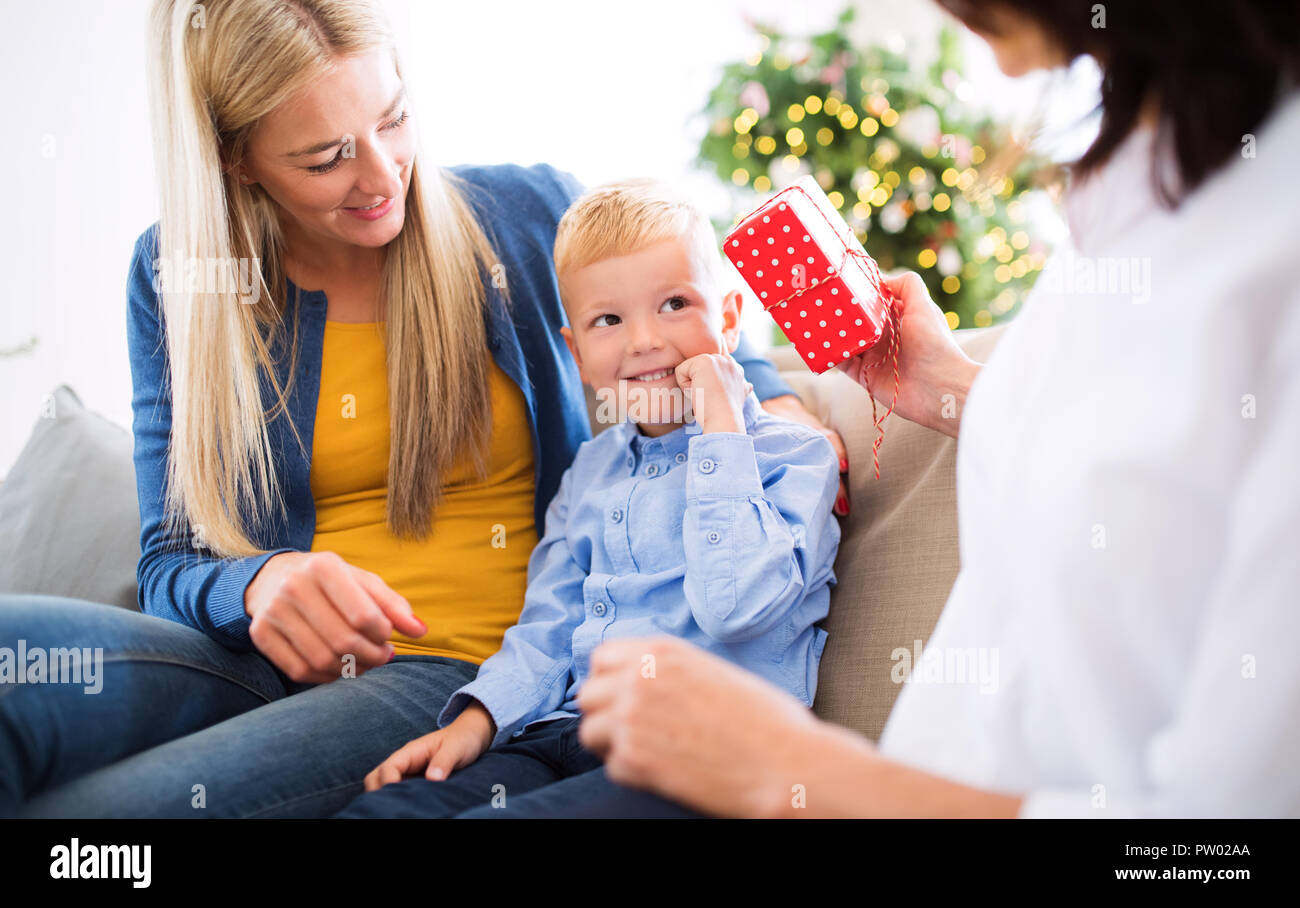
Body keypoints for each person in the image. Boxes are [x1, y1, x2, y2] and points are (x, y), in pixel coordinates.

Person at [0, 0, 844, 818]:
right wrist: (258, 582)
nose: (381, 176)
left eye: (394, 120)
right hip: (250, 660)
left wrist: (769, 398)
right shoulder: (178, 275)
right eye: (327, 157)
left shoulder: (525, 214)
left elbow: (668, 309)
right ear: (236, 158)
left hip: (453, 670)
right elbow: (169, 562)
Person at [572, 0, 1300, 818]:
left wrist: (793, 772)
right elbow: (1144, 470)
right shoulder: (1158, 161)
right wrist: (947, 388)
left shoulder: (1273, 246)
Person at [333, 179, 843, 818]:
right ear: (577, 353)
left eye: (675, 304)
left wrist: (719, 422)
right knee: (387, 811)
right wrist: (478, 720)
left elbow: (734, 607)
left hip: (703, 757)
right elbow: (549, 622)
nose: (643, 340)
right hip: (562, 733)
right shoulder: (590, 472)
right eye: (609, 319)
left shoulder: (794, 455)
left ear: (731, 318)